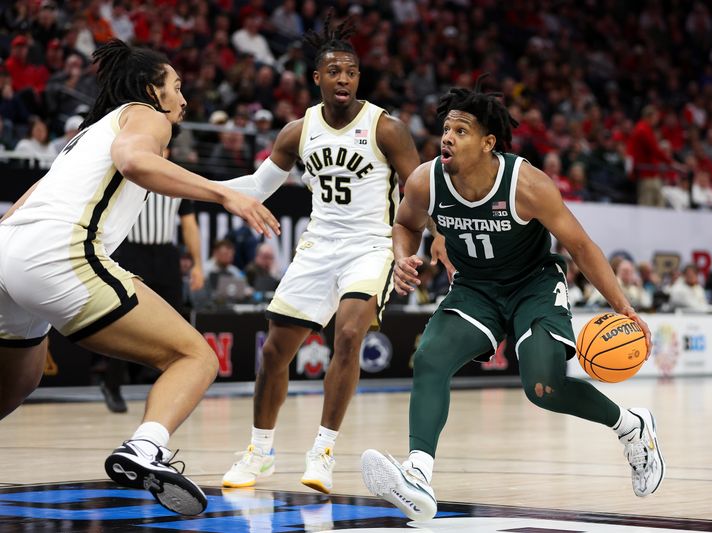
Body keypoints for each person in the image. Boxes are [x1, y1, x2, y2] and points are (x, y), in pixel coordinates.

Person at [360, 83, 664, 522]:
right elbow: (405, 222)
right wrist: (403, 255)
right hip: (474, 288)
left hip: (532, 285)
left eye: (461, 131)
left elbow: (579, 244)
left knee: (542, 388)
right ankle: (419, 474)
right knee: (429, 357)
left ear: (488, 143)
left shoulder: (527, 184)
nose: (447, 137)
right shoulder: (426, 179)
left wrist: (623, 306)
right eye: (446, 128)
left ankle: (631, 427)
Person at [0, 40, 279, 515]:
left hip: (9, 251)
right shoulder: (145, 115)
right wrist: (222, 195)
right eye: (177, 86)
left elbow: (30, 196)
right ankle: (144, 448)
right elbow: (134, 161)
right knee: (196, 356)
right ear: (153, 90)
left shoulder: (85, 137)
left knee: (17, 382)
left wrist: (265, 174)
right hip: (58, 254)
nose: (184, 99)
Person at [220, 13, 433, 494]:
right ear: (316, 77)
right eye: (335, 71)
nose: (344, 79)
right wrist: (199, 188)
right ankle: (259, 451)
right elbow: (257, 187)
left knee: (350, 334)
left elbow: (419, 190)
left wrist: (436, 235)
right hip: (317, 247)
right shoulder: (297, 132)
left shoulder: (387, 128)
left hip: (371, 246)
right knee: (275, 352)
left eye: (352, 72)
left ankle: (324, 451)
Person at [96, 187, 205, 414]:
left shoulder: (177, 180)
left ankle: (174, 388)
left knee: (175, 322)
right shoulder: (132, 173)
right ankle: (112, 384)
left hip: (165, 254)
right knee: (125, 318)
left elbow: (189, 225)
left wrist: (197, 264)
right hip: (132, 252)